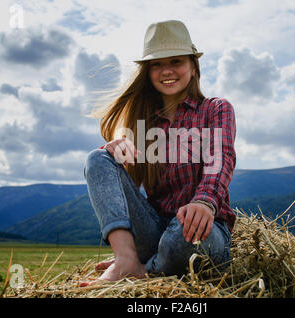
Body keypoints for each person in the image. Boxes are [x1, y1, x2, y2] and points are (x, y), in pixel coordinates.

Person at [83, 20, 236, 283]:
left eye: (176, 61)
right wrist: (113, 150)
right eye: (157, 64)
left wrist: (204, 201)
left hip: (201, 233)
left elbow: (220, 159)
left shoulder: (216, 108)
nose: (167, 71)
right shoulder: (144, 121)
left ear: (192, 65)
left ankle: (148, 270)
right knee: (97, 158)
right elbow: (119, 186)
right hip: (153, 230)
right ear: (148, 71)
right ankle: (126, 258)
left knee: (185, 239)